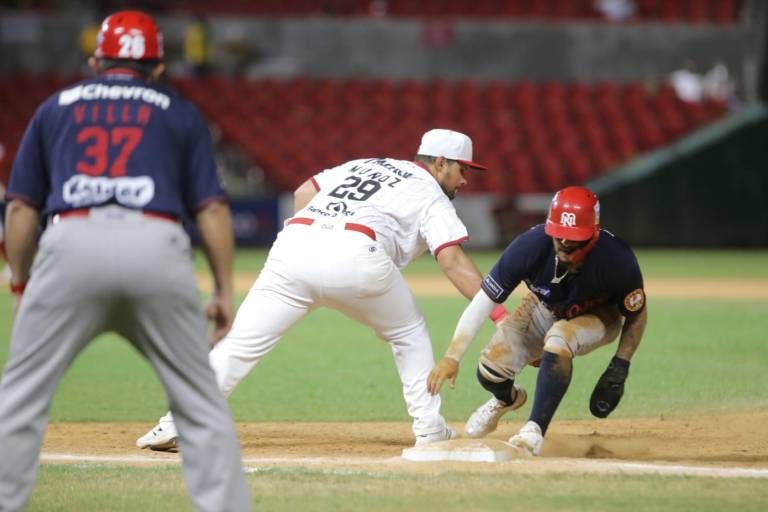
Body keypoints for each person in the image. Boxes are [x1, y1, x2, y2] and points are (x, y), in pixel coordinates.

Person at [0, 11, 252, 511]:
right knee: (199, 406)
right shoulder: (178, 110)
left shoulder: (54, 107)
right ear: (158, 67)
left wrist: (22, 281)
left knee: (20, 399)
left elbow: (22, 208)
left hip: (69, 242)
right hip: (155, 244)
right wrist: (224, 290)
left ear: (96, 61)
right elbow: (212, 209)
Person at [137, 128, 509, 450]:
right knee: (408, 331)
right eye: (463, 170)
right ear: (441, 162)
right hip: (356, 254)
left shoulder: (367, 164)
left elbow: (304, 193)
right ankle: (429, 429)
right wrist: (500, 315)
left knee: (240, 343)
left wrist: (317, 240)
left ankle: (177, 422)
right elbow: (452, 261)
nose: (465, 180)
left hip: (294, 245)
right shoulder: (429, 191)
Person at [427, 186, 647, 456]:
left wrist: (619, 366)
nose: (564, 243)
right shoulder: (529, 246)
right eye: (559, 235)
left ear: (593, 235)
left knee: (560, 336)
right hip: (544, 306)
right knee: (490, 370)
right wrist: (452, 357)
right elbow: (483, 301)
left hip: (600, 315)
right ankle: (506, 400)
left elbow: (636, 314)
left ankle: (534, 430)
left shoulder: (617, 259)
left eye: (573, 238)